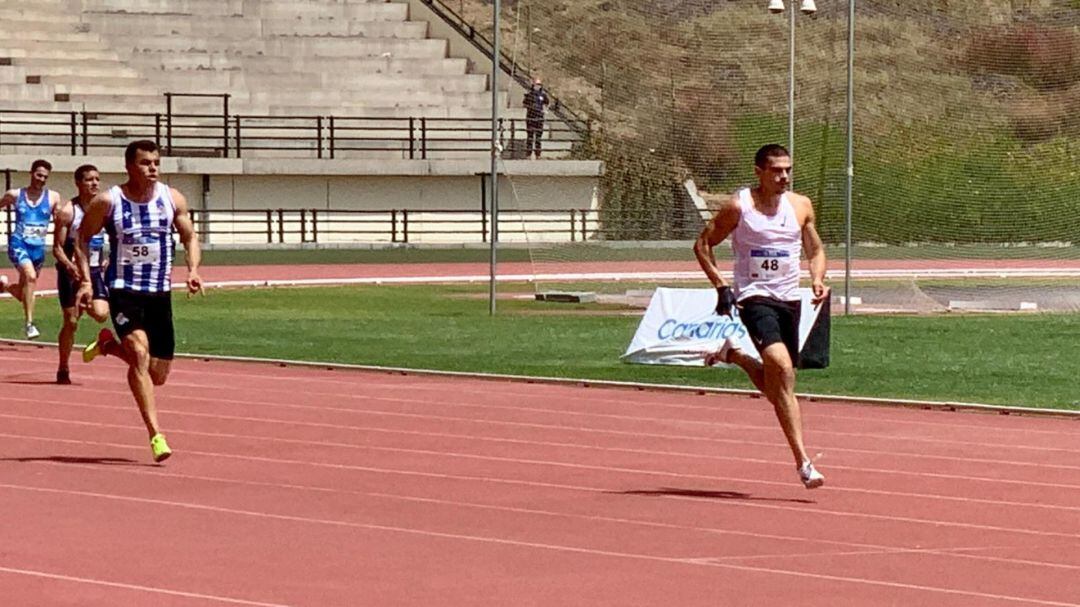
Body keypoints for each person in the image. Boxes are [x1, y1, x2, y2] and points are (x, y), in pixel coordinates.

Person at [693, 143, 830, 489]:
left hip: (789, 300)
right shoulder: (739, 207)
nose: (783, 177)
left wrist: (817, 277)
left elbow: (815, 249)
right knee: (781, 368)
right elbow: (703, 244)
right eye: (776, 171)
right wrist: (721, 286)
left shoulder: (800, 206)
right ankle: (803, 461)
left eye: (787, 170)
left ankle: (735, 355)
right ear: (759, 173)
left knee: (781, 385)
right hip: (754, 298)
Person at [76, 140, 203, 463]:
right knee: (139, 354)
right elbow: (82, 239)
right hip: (124, 290)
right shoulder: (109, 201)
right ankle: (156, 435)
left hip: (159, 294)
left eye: (156, 162)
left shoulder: (171, 199)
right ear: (130, 166)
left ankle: (107, 345)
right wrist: (88, 281)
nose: (153, 168)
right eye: (146, 162)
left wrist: (193, 269)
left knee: (158, 375)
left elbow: (189, 236)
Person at [53, 164, 111, 385]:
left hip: (95, 270)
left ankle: (101, 341)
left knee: (101, 315)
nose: (94, 183)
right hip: (71, 273)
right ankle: (63, 367)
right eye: (89, 180)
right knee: (71, 322)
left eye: (97, 179)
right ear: (78, 183)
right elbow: (57, 248)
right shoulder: (69, 211)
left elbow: (114, 237)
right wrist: (70, 266)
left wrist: (109, 257)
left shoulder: (103, 209)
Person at [0, 159, 62, 339]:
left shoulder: (53, 197)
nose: (41, 179)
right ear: (31, 173)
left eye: (45, 177)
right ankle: (29, 324)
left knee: (26, 291)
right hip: (19, 244)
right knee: (30, 276)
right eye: (39, 175)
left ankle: (4, 286)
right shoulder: (15, 195)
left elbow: (60, 222)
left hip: (38, 249)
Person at [522, 77, 550, 159]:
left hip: (539, 117)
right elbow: (524, 104)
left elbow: (547, 103)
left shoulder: (543, 95)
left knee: (538, 137)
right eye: (536, 85)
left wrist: (545, 110)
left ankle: (538, 154)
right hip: (531, 117)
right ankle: (528, 154)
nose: (537, 86)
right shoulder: (529, 95)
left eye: (539, 85)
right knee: (530, 137)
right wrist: (531, 107)